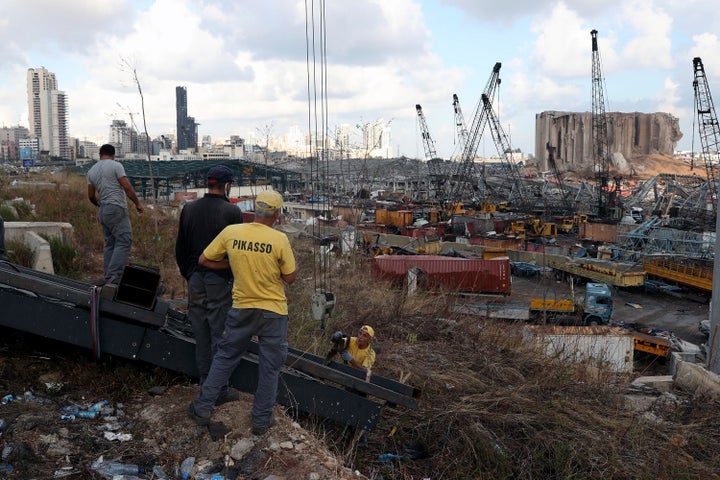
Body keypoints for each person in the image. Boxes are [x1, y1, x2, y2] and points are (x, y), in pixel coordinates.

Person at [188, 190, 296, 436]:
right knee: (269, 368)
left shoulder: (232, 232)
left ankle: (202, 408)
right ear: (276, 214)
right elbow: (290, 278)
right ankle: (260, 421)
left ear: (256, 210)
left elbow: (204, 260)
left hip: (242, 308)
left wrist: (232, 264)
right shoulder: (279, 240)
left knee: (225, 357)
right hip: (273, 312)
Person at [175, 165, 244, 404]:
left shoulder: (189, 209)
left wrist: (190, 274)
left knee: (201, 332)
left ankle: (206, 383)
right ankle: (219, 390)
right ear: (226, 185)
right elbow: (235, 254)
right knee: (220, 333)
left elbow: (180, 249)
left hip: (195, 279)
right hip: (219, 280)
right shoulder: (231, 212)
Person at [87, 144, 143, 284]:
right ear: (113, 155)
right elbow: (126, 187)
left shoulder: (91, 171)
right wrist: (137, 203)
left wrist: (99, 205)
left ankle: (107, 275)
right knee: (125, 240)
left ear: (100, 155)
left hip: (103, 210)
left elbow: (91, 196)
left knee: (110, 243)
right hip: (116, 208)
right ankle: (114, 276)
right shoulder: (115, 166)